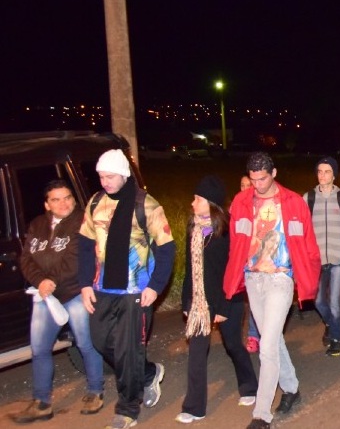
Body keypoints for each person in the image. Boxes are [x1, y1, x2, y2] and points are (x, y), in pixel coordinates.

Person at [78, 149, 175, 429]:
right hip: (102, 288)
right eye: (101, 177)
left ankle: (127, 410)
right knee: (99, 341)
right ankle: (148, 372)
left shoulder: (147, 205)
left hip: (136, 290)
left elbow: (166, 248)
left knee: (127, 350)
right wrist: (85, 283)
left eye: (109, 177)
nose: (104, 182)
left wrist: (156, 287)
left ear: (123, 174)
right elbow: (85, 245)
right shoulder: (95, 202)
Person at [223, 152, 321, 429]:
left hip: (282, 278)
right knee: (272, 337)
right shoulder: (241, 202)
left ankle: (261, 413)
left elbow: (309, 245)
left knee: (266, 345)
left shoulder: (294, 203)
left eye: (263, 178)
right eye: (253, 180)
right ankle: (291, 388)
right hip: (253, 279)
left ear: (274, 173)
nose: (258, 185)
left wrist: (308, 281)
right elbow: (236, 243)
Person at [12, 180, 105, 424]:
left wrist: (50, 280)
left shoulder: (83, 222)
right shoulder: (37, 225)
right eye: (56, 199)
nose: (63, 203)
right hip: (45, 296)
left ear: (74, 200)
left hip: (75, 293)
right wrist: (41, 281)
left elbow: (75, 260)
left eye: (67, 197)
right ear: (47, 204)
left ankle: (95, 391)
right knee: (39, 349)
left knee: (86, 344)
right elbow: (26, 259)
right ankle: (41, 402)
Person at [176, 176, 258, 424]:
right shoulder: (193, 229)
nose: (192, 203)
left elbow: (234, 270)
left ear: (211, 203)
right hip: (200, 302)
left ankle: (249, 385)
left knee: (233, 345)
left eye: (197, 199)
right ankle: (194, 407)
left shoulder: (227, 232)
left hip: (228, 299)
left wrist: (223, 306)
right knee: (197, 353)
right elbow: (191, 270)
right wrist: (186, 302)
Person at [302, 157, 340, 357]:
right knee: (317, 301)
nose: (323, 175)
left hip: (337, 259)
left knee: (334, 301)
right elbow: (301, 227)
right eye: (320, 171)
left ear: (334, 175)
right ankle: (330, 322)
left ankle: (336, 339)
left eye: (327, 171)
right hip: (315, 260)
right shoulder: (307, 198)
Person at [240, 175, 261, 354]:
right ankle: (254, 334)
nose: (246, 188)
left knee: (259, 299)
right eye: (243, 185)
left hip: (260, 261)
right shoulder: (236, 207)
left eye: (250, 185)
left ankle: (259, 333)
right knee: (251, 300)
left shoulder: (263, 207)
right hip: (242, 261)